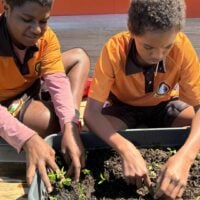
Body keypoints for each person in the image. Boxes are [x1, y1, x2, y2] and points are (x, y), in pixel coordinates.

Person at [84, 0, 200, 199]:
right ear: (131, 30)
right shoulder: (115, 50)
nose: (158, 55)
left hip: (164, 106)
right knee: (89, 135)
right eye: (148, 47)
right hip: (123, 109)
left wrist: (185, 158)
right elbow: (91, 113)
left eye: (167, 47)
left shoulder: (182, 47)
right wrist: (125, 148)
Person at [0, 0, 90, 193]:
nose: (37, 30)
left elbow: (57, 80)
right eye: (27, 20)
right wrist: (27, 139)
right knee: (47, 120)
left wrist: (70, 125)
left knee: (79, 57)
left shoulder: (46, 38)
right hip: (6, 100)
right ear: (6, 9)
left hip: (31, 82)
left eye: (43, 21)